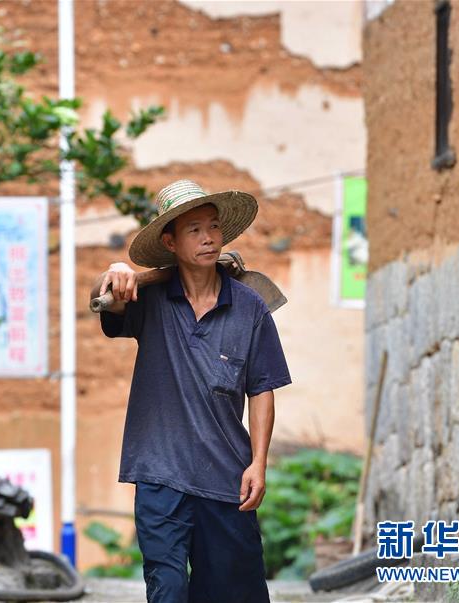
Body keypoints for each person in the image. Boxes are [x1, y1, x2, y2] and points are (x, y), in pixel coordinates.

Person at [91, 179, 292, 603]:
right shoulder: (149, 299)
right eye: (194, 229)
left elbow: (262, 389)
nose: (208, 238)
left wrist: (258, 463)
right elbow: (106, 299)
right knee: (168, 589)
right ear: (170, 242)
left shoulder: (250, 307)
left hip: (227, 478)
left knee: (232, 595)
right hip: (160, 476)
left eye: (213, 227)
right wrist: (115, 272)